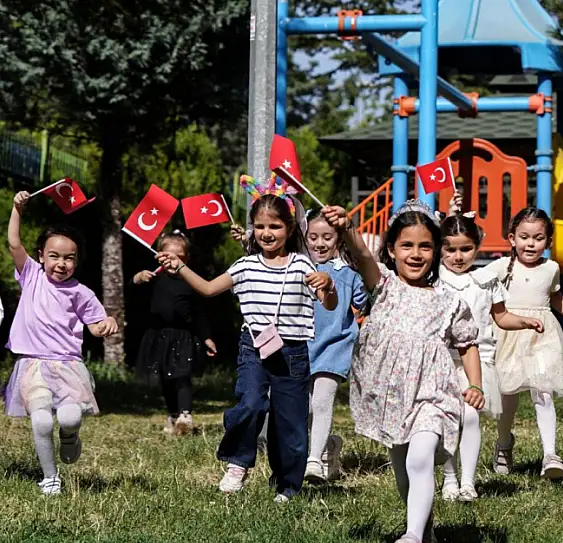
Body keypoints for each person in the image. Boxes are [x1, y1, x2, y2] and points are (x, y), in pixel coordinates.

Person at [322, 200, 484, 543]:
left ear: (437, 251)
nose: (416, 254)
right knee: (404, 475)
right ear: (391, 250)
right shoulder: (383, 285)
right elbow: (361, 254)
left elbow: (467, 342)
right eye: (407, 246)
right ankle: (424, 530)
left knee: (420, 456)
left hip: (433, 395)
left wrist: (475, 383)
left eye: (425, 246)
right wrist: (347, 228)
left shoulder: (448, 300)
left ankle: (411, 539)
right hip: (392, 396)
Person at [157, 175, 337, 503]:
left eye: (275, 226)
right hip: (253, 347)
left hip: (292, 351)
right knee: (251, 403)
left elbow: (328, 304)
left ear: (290, 228)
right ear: (252, 229)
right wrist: (180, 267)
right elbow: (210, 289)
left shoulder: (302, 264)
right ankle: (238, 462)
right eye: (260, 226)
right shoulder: (245, 265)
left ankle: (287, 485)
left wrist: (329, 286)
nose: (267, 233)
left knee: (291, 423)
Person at [5, 190, 118, 495]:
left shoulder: (81, 292)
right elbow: (14, 242)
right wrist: (18, 209)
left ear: (77, 260)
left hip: (67, 365)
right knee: (41, 420)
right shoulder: (30, 275)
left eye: (69, 258)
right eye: (53, 256)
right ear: (40, 255)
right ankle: (50, 477)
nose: (61, 263)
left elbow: (96, 325)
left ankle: (70, 436)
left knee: (69, 416)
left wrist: (108, 324)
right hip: (32, 365)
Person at [438, 195, 544, 502]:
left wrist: (524, 321)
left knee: (470, 417)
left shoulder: (485, 281)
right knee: (448, 419)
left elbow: (500, 316)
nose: (458, 256)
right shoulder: (435, 281)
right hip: (442, 360)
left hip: (479, 360)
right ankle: (449, 478)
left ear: (477, 246)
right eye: (451, 249)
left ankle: (468, 482)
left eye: (466, 249)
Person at [488, 209, 563, 479]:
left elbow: (555, 297)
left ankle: (550, 454)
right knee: (506, 395)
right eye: (524, 237)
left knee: (544, 392)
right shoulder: (502, 267)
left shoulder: (552, 268)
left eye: (538, 238)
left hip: (542, 334)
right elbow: (474, 283)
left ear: (548, 242)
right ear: (512, 238)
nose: (530, 243)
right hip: (509, 333)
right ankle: (503, 443)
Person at [302, 209, 367, 483]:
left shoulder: (349, 274)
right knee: (303, 409)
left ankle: (313, 460)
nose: (320, 243)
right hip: (302, 347)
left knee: (321, 401)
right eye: (313, 236)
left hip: (336, 346)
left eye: (327, 237)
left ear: (338, 239)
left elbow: (365, 300)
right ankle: (328, 447)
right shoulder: (298, 268)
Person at [133, 231, 217, 436]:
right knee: (166, 378)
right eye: (168, 255)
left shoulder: (191, 281)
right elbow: (135, 297)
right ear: (158, 255)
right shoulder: (153, 278)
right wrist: (138, 278)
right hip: (159, 337)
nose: (173, 260)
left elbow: (199, 313)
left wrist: (206, 337)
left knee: (182, 375)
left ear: (186, 258)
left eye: (179, 256)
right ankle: (172, 414)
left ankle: (185, 415)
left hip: (184, 337)